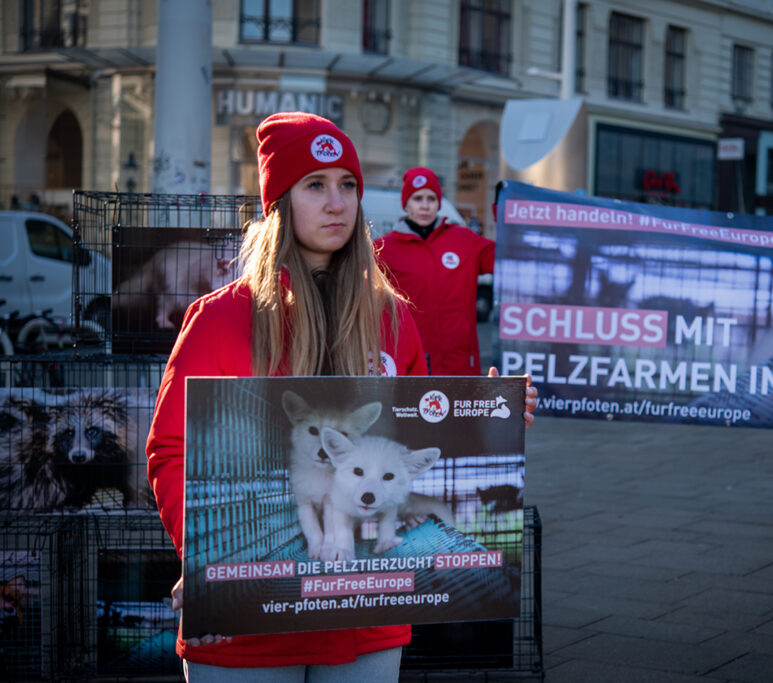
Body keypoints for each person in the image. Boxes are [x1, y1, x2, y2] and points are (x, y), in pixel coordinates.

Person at [146, 112, 537, 681]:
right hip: (251, 614)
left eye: (347, 185)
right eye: (315, 185)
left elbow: (419, 441)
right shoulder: (221, 318)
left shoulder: (392, 318)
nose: (338, 203)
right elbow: (172, 450)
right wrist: (209, 554)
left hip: (365, 614)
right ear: (279, 203)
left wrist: (494, 413)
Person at [375, 167, 495, 376]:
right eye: (417, 198)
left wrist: (504, 218)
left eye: (431, 199)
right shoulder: (384, 249)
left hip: (460, 363)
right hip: (412, 362)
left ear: (439, 203)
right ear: (406, 203)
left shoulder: (464, 239)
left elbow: (505, 258)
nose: (424, 205)